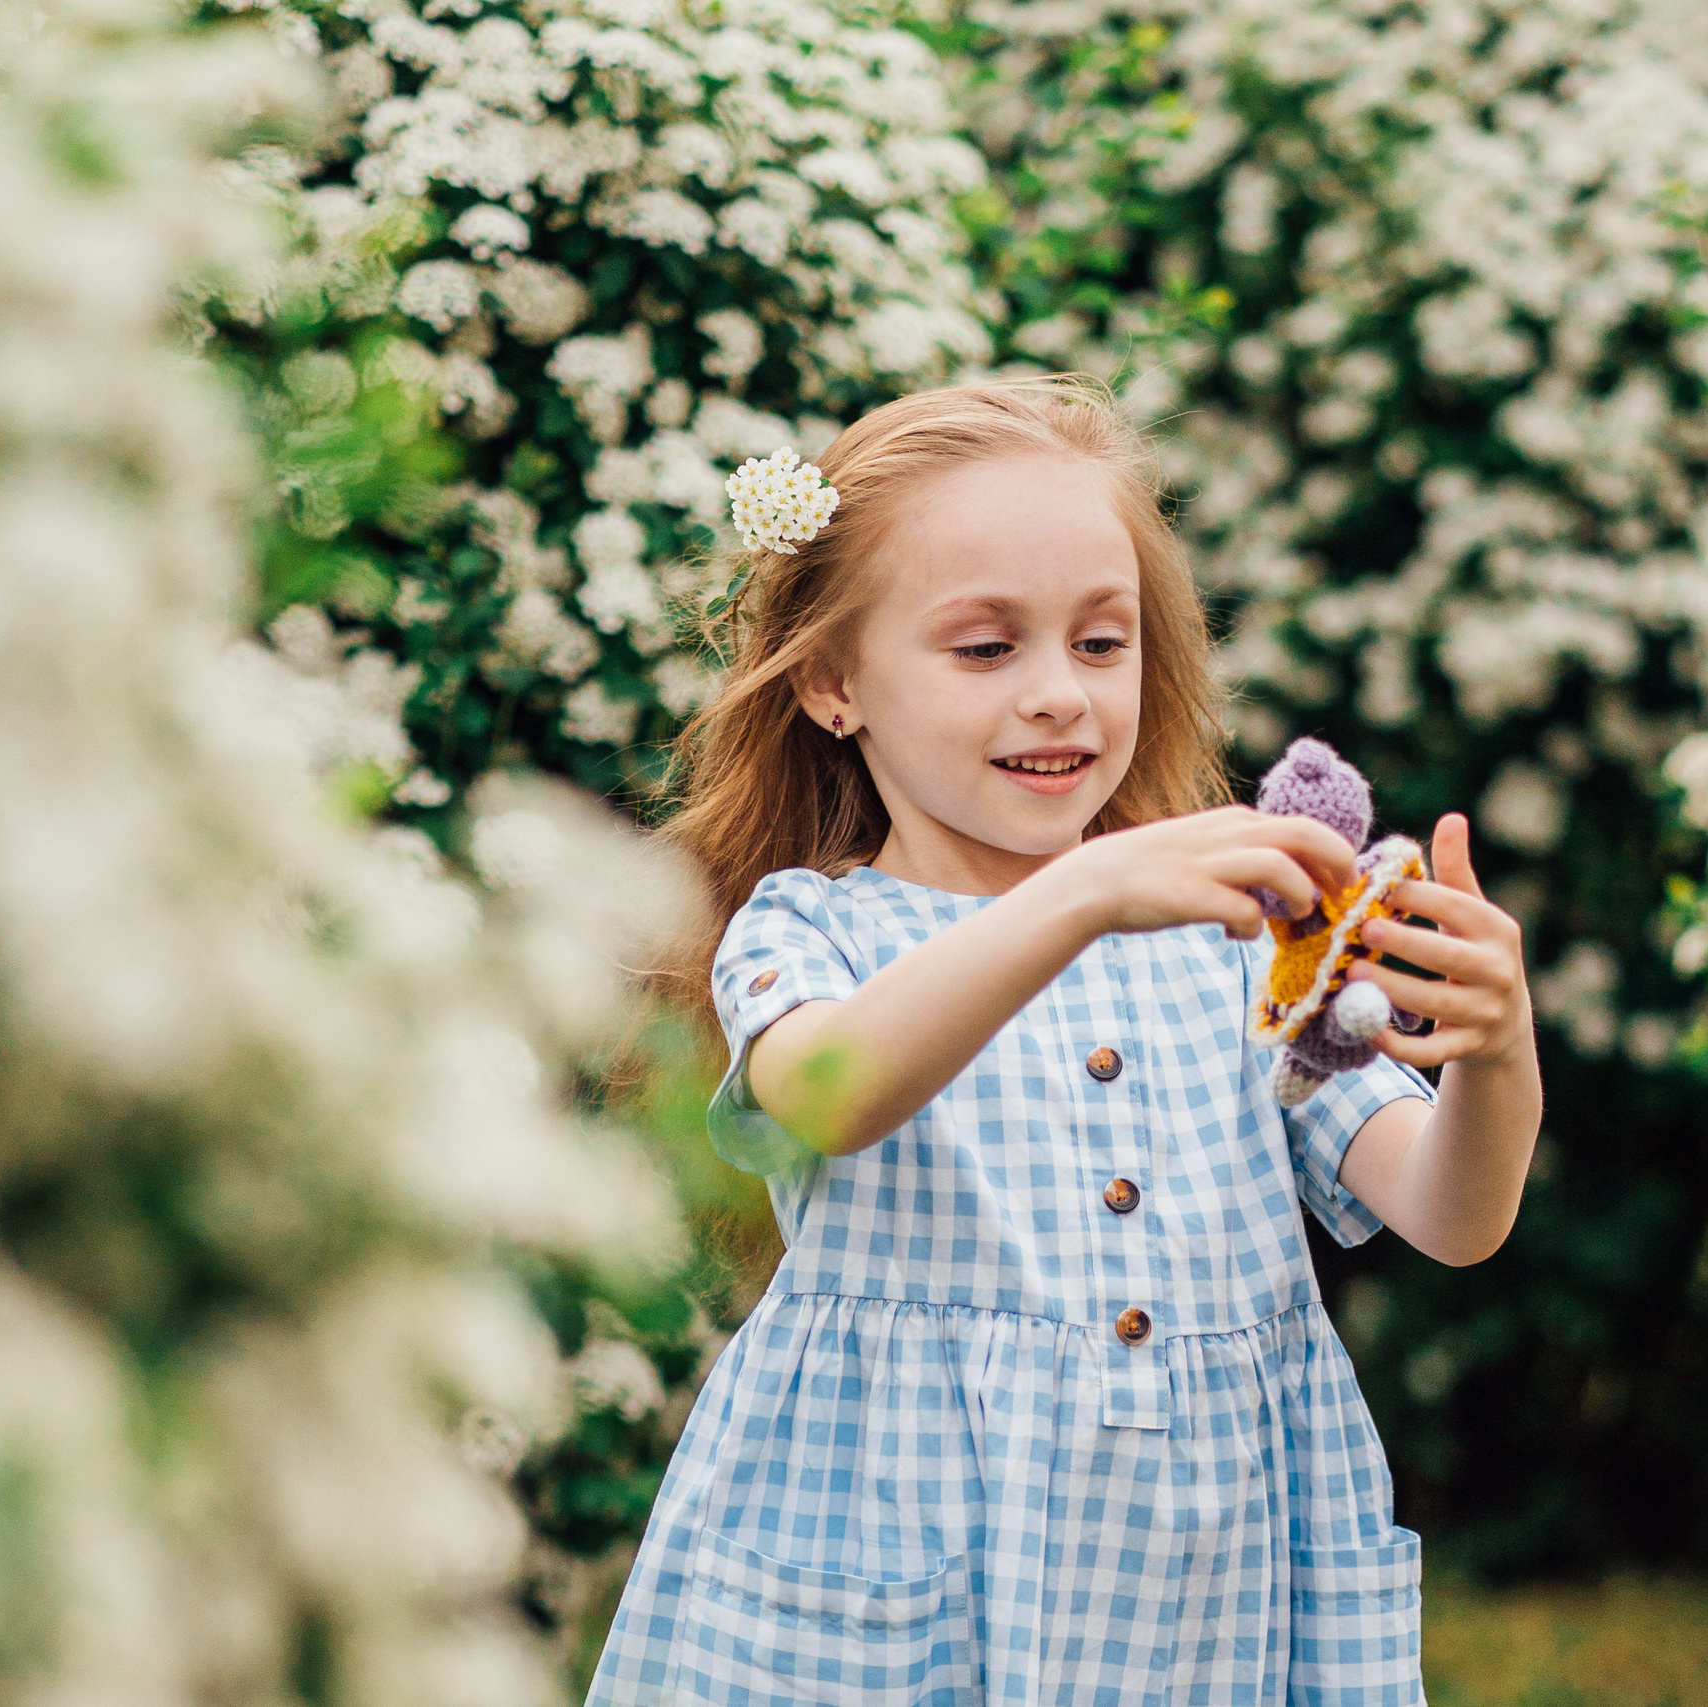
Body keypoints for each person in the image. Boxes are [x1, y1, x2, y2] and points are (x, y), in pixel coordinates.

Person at [588, 378, 1541, 1707]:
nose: (1060, 697)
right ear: (830, 681)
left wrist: (1497, 1052)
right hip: (904, 1582)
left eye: (1103, 645)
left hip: (1208, 1599)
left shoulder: (1233, 950)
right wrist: (1085, 893)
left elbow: (1457, 1214)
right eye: (986, 650)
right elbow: (825, 1095)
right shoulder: (809, 932)